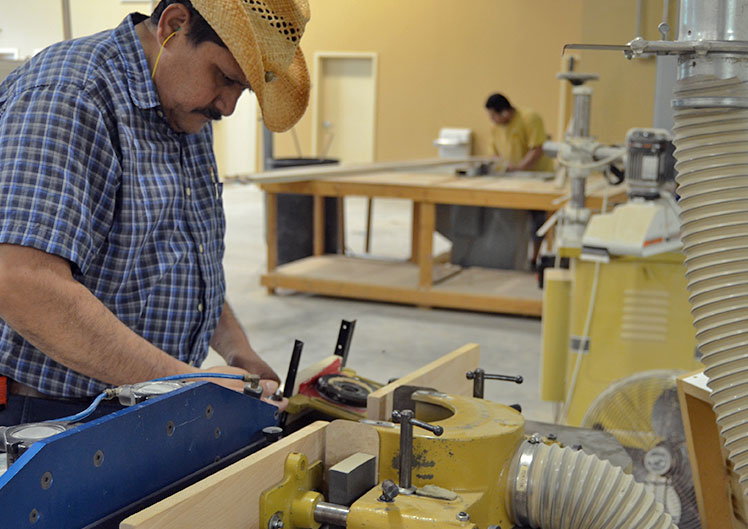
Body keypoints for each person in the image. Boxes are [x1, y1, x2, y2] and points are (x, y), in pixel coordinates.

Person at [0, 0, 311, 425]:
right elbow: (22, 282)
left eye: (243, 89)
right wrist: (186, 381)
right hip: (50, 414)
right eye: (224, 77)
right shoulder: (71, 96)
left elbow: (181, 257)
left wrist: (236, 349)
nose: (227, 106)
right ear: (174, 25)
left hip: (145, 401)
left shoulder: (183, 105)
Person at [485, 93, 554, 266]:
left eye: (494, 116)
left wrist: (520, 167)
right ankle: (510, 257)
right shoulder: (495, 127)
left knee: (538, 219)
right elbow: (493, 153)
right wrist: (500, 166)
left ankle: (534, 258)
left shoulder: (530, 118)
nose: (492, 120)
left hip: (537, 178)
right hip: (512, 179)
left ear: (505, 112)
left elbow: (537, 148)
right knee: (509, 217)